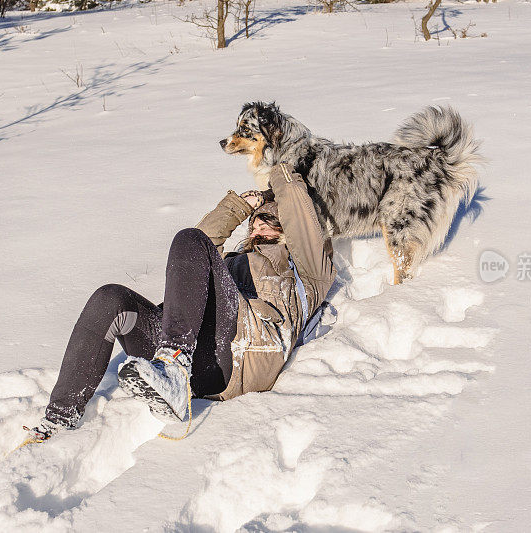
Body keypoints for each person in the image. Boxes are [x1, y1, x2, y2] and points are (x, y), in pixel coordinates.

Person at [23, 163, 336, 443]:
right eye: (253, 223)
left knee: (192, 240)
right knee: (111, 298)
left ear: (289, 229)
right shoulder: (229, 262)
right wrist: (239, 206)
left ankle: (173, 366)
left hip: (237, 359)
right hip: (194, 356)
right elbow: (201, 242)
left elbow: (297, 207)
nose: (257, 228)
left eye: (267, 221)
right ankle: (60, 417)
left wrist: (279, 170)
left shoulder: (308, 270)